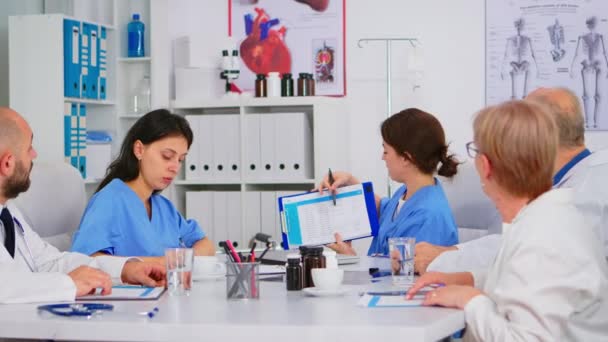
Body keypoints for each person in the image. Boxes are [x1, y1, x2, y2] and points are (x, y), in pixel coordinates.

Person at [407, 100, 608, 341]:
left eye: (476, 149)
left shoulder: (543, 237)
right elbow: (522, 281)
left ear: (485, 165)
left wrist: (470, 300)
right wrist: (466, 279)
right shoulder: (547, 217)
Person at [416, 86, 606, 274]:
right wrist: (451, 255)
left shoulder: (591, 188)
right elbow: (514, 242)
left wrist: (446, 260)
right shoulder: (566, 182)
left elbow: (530, 258)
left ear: (539, 134)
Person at [0, 107, 165, 304]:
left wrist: (125, 269)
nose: (34, 155)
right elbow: (6, 286)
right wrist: (69, 284)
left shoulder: (9, 213)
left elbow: (50, 262)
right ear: (7, 164)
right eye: (29, 149)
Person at [71, 109, 215, 263]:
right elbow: (86, 260)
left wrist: (178, 262)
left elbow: (206, 245)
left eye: (180, 160)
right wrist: (164, 263)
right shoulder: (108, 201)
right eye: (167, 156)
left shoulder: (164, 208)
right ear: (139, 150)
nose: (175, 167)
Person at [317, 108, 459, 256]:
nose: (382, 158)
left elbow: (407, 275)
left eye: (386, 151)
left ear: (406, 158)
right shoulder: (408, 192)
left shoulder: (429, 217)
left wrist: (351, 258)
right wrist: (350, 182)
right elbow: (386, 212)